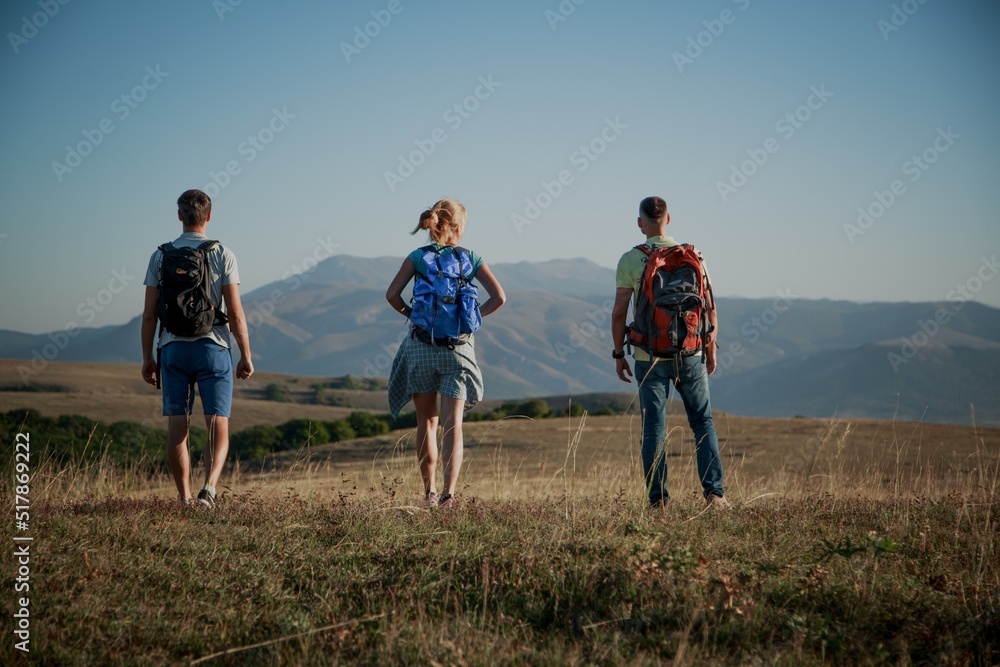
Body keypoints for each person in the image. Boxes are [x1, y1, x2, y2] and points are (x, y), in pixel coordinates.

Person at [611, 196, 731, 510]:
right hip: (691, 352)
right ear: (669, 219)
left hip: (648, 356)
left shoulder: (630, 260)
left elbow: (618, 313)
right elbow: (709, 306)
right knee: (703, 423)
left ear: (641, 223)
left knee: (653, 428)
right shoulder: (695, 256)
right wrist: (710, 348)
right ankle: (715, 495)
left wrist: (618, 354)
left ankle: (658, 501)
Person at [385, 199, 506, 508]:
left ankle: (429, 493)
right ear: (458, 227)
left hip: (422, 346)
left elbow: (391, 295)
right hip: (458, 349)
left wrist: (414, 315)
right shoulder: (472, 259)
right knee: (454, 425)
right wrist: (472, 318)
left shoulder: (417, 257)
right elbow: (500, 298)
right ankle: (449, 496)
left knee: (426, 423)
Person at [140, 189, 253, 508]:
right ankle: (210, 489)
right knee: (217, 420)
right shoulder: (223, 253)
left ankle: (184, 497)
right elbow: (235, 312)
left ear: (179, 216)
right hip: (213, 347)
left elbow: (149, 314)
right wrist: (245, 353)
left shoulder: (160, 255)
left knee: (178, 423)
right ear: (209, 216)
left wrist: (148, 357)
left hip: (172, 349)